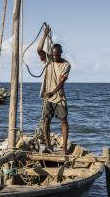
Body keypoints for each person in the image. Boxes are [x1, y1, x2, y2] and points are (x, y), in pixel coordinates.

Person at [37, 25, 71, 155]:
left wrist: (53, 92)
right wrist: (45, 35)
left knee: (64, 121)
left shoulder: (66, 64)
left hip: (58, 96)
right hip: (47, 97)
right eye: (53, 55)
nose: (55, 57)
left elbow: (62, 82)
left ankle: (64, 148)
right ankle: (48, 145)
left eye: (57, 55)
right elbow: (39, 49)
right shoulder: (48, 60)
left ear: (61, 53)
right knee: (46, 121)